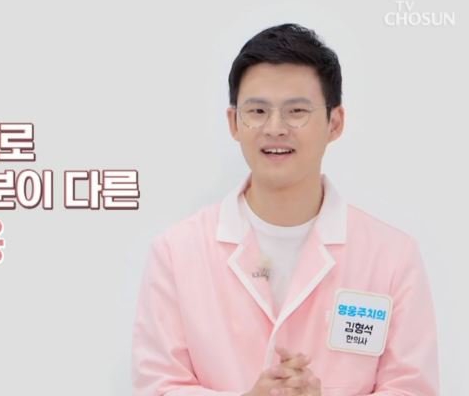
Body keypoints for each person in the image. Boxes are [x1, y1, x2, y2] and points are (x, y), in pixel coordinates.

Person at [131, 23, 439, 396]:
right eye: (258, 110)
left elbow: (413, 388)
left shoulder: (392, 257)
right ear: (234, 123)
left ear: (335, 123)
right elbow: (157, 387)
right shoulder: (177, 253)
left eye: (296, 111)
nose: (275, 128)